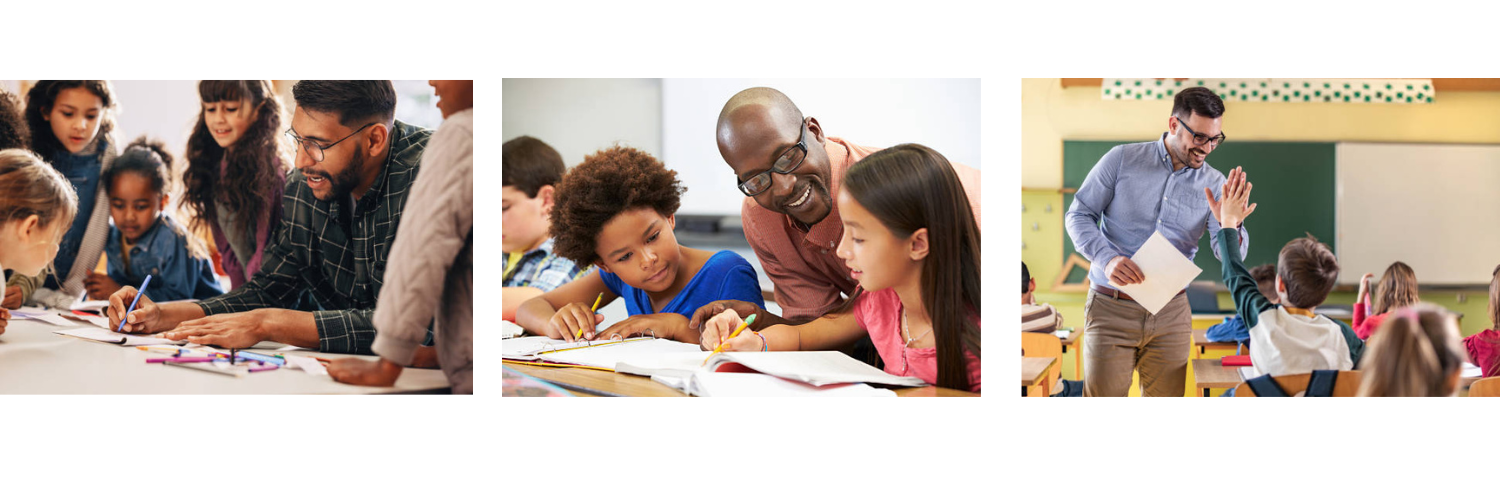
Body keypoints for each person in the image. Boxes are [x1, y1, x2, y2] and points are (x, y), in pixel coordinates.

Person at [1065, 86, 1250, 397]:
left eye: (1215, 139)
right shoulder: (1121, 159)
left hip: (1171, 312)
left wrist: (1231, 224)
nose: (1206, 148)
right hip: (1111, 307)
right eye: (1199, 137)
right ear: (1174, 124)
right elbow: (1078, 215)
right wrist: (1107, 259)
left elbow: (1230, 254)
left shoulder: (1215, 184)